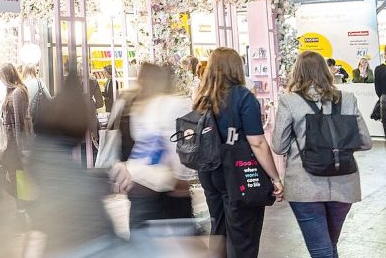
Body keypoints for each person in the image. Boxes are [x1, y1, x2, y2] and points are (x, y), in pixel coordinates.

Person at [272, 51, 372, 258]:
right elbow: (365, 142)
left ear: (296, 72)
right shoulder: (348, 98)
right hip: (344, 183)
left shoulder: (289, 101)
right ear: (326, 71)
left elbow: (279, 146)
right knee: (328, 247)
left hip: (304, 184)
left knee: (321, 249)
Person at [194, 47, 283, 258]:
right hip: (237, 172)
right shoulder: (243, 97)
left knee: (219, 231)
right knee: (243, 236)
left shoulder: (202, 97)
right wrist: (275, 178)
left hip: (208, 171)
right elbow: (258, 142)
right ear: (236, 68)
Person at [107, 62, 195, 232]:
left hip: (140, 182)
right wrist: (182, 177)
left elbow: (129, 143)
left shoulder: (134, 106)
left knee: (143, 239)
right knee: (182, 239)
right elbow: (178, 144)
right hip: (166, 183)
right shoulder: (172, 103)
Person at [0, 63, 32, 211]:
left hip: (14, 143)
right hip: (10, 143)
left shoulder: (17, 92)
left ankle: (22, 206)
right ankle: (22, 205)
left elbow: (19, 121)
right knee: (14, 175)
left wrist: (20, 147)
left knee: (16, 176)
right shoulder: (12, 91)